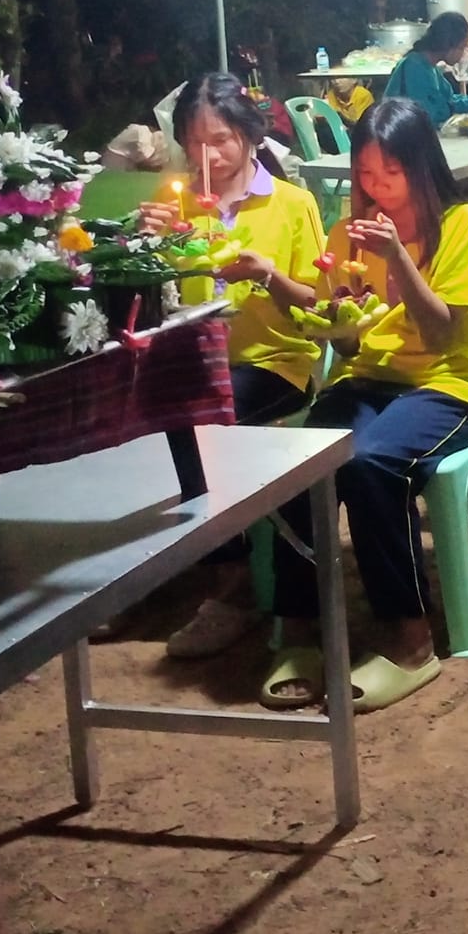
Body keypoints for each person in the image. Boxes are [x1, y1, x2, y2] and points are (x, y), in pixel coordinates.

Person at [260, 98, 468, 713]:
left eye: (391, 172)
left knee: (372, 464)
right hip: (365, 379)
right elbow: (346, 340)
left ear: (421, 165)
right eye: (365, 173)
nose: (377, 187)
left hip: (446, 385)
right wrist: (336, 326)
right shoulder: (348, 233)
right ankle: (302, 630)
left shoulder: (464, 223)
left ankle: (411, 640)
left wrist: (396, 257)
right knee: (299, 462)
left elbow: (443, 335)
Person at [135, 73, 328, 660]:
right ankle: (165, 570)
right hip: (196, 361)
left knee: (195, 417)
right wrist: (146, 248)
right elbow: (157, 300)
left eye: (219, 139)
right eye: (194, 142)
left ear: (248, 134)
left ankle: (230, 583)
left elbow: (319, 304)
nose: (207, 156)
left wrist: (268, 275)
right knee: (141, 410)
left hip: (275, 363)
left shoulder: (290, 203)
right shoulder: (177, 205)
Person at [382, 12, 468, 126]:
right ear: (447, 44)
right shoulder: (414, 67)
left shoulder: (430, 67)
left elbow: (450, 101)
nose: (464, 53)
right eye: (462, 47)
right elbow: (434, 113)